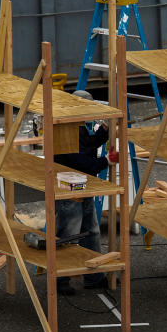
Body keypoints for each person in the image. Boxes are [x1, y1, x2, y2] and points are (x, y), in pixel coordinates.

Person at [53, 89, 115, 295]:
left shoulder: (76, 125)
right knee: (68, 233)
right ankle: (61, 280)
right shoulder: (65, 130)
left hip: (81, 184)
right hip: (68, 187)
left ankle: (94, 276)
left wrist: (104, 131)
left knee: (91, 231)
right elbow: (82, 162)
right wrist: (106, 161)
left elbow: (87, 144)